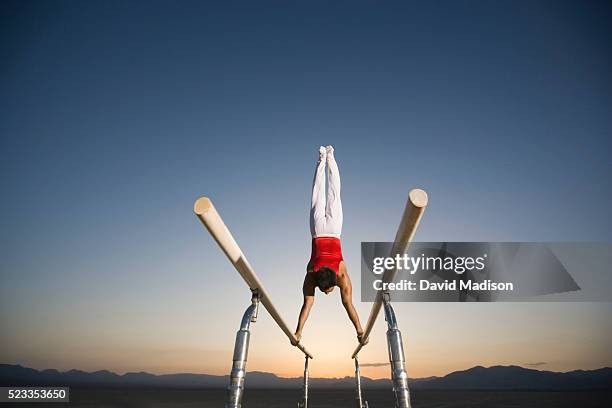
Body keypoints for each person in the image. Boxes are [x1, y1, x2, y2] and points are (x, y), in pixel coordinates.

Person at [293, 146, 367, 346]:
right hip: (323, 231)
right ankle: (325, 158)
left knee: (328, 194)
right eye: (328, 291)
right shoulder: (319, 274)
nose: (326, 293)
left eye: (325, 291)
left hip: (328, 231)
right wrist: (359, 330)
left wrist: (299, 332)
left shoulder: (332, 275)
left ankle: (327, 158)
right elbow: (347, 305)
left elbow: (308, 305)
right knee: (324, 195)